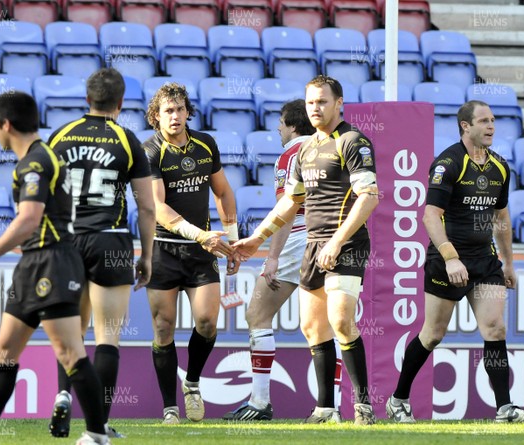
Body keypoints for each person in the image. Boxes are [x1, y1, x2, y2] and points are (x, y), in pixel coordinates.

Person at [0, 92, 110, 445]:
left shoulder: (35, 162)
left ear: (5, 124)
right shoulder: (38, 158)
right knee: (5, 350)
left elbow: (28, 220)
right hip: (33, 263)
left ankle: (98, 436)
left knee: (70, 353)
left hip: (51, 262)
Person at [234, 75, 379, 425]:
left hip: (346, 242)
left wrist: (338, 240)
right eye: (311, 102)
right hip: (314, 245)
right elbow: (290, 204)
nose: (316, 107)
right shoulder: (306, 150)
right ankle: (325, 409)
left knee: (341, 321)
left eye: (323, 101)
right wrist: (257, 239)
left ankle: (362, 406)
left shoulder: (353, 141)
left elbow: (369, 197)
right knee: (313, 329)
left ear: (338, 103)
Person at [385, 100, 524, 423]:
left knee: (495, 328)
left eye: (494, 121)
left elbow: (501, 216)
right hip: (447, 261)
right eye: (484, 121)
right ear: (465, 126)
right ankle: (398, 399)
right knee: (433, 334)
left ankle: (504, 408)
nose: (491, 127)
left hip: (485, 261)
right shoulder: (448, 163)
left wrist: (508, 263)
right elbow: (430, 217)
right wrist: (451, 258)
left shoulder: (499, 166)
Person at [46, 68, 156, 438]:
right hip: (110, 241)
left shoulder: (59, 136)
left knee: (71, 333)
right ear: (121, 103)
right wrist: (147, 256)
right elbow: (148, 206)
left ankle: (63, 395)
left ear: (87, 99)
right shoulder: (127, 140)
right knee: (107, 335)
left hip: (68, 241)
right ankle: (98, 427)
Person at [223, 99, 343, 421]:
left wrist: (272, 256)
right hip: (333, 239)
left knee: (257, 314)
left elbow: (286, 211)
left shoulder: (291, 154)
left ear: (291, 124)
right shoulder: (331, 147)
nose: (277, 128)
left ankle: (260, 402)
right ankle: (332, 407)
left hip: (299, 238)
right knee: (325, 325)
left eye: (280, 121)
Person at [143, 82, 239, 424]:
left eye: (180, 109)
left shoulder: (205, 144)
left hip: (202, 252)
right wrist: (202, 235)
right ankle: (170, 407)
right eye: (168, 110)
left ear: (188, 112)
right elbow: (158, 208)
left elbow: (224, 192)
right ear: (156, 116)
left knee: (208, 323)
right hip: (164, 251)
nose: (175, 116)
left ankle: (193, 384)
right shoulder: (150, 150)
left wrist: (231, 239)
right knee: (164, 327)